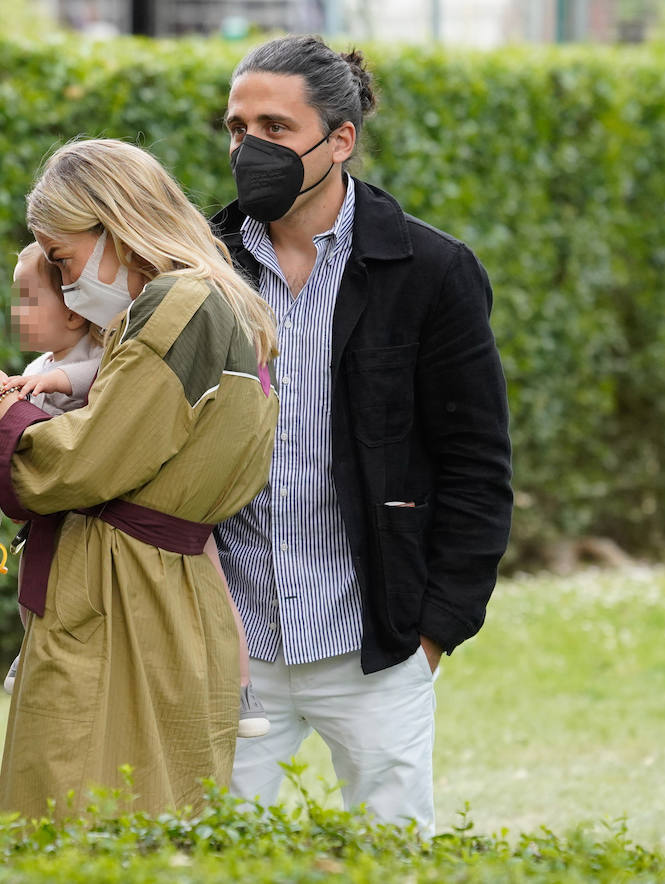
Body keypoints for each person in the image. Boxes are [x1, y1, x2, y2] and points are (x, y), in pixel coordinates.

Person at [0, 138, 280, 820]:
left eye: (61, 258)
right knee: (158, 811)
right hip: (163, 590)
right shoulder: (222, 302)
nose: (66, 282)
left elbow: (76, 463)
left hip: (121, 597)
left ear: (113, 226)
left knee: (81, 815)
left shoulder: (178, 304)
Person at [210, 36, 514, 836]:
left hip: (373, 643)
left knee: (397, 854)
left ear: (339, 139)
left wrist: (434, 633)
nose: (249, 148)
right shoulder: (199, 268)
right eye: (238, 127)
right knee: (205, 855)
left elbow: (478, 465)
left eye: (276, 128)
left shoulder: (432, 272)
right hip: (231, 641)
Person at [0, 243, 272, 739]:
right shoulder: (37, 366)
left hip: (146, 503)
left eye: (29, 298)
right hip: (73, 506)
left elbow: (100, 382)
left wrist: (33, 387)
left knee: (209, 564)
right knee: (34, 582)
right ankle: (29, 645)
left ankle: (242, 684)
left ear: (73, 312)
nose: (16, 312)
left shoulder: (102, 351)